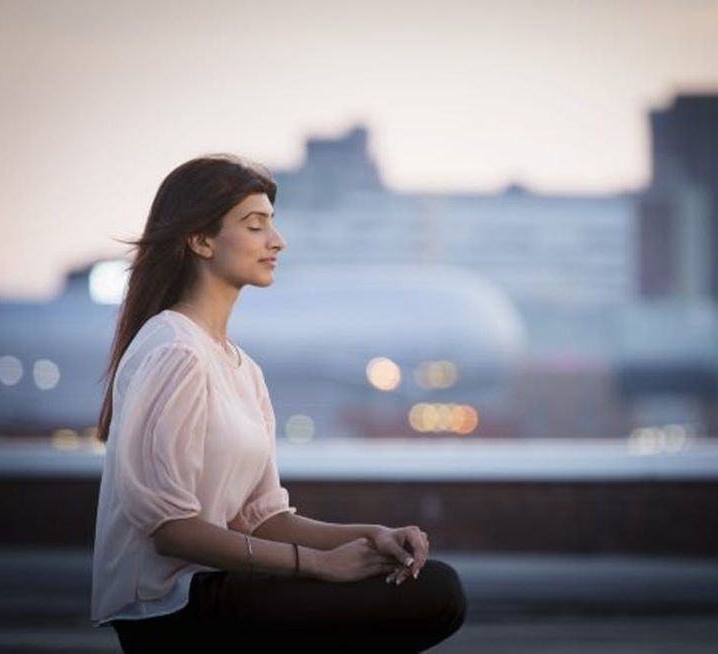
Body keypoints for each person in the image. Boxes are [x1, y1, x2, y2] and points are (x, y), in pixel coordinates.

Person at [89, 154, 467, 652]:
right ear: (201, 240)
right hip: (174, 605)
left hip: (225, 586)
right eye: (254, 225)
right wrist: (319, 565)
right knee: (435, 594)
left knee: (431, 584)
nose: (277, 240)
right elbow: (171, 531)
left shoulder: (242, 368)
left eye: (273, 224)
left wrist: (372, 535)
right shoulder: (174, 351)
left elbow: (264, 519)